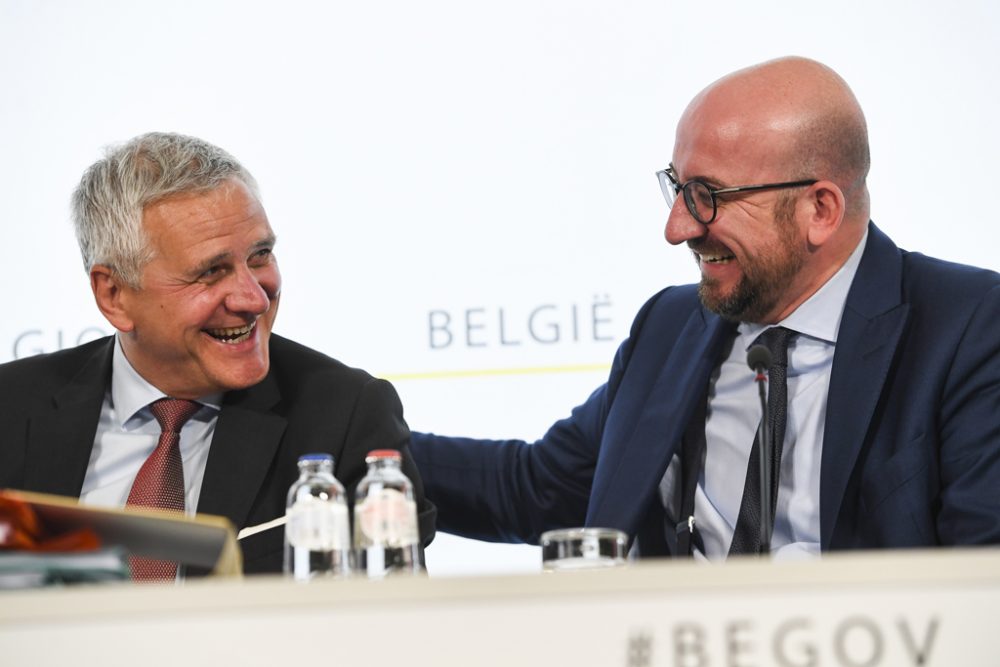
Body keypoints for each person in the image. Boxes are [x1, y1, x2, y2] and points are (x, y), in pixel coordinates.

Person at [410, 56, 1000, 559]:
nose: (677, 228)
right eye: (677, 187)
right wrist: (351, 432)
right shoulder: (670, 328)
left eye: (708, 197)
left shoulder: (968, 330)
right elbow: (536, 488)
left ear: (820, 209)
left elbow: (979, 582)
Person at [0, 132, 435, 575]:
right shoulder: (11, 409)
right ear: (114, 295)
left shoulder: (345, 416)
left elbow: (385, 619)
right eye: (211, 272)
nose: (254, 299)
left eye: (260, 256)